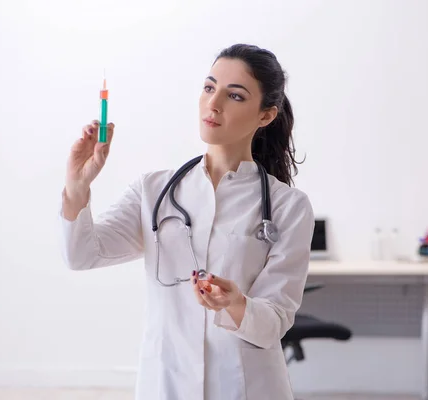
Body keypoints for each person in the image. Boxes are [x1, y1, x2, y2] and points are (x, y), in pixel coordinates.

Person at [59, 43, 315, 400]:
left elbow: (273, 323)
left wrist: (235, 303)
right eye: (209, 88)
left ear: (266, 115)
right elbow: (81, 255)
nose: (214, 103)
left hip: (245, 386)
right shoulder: (153, 190)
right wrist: (77, 185)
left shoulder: (289, 208)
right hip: (167, 382)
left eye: (235, 96)